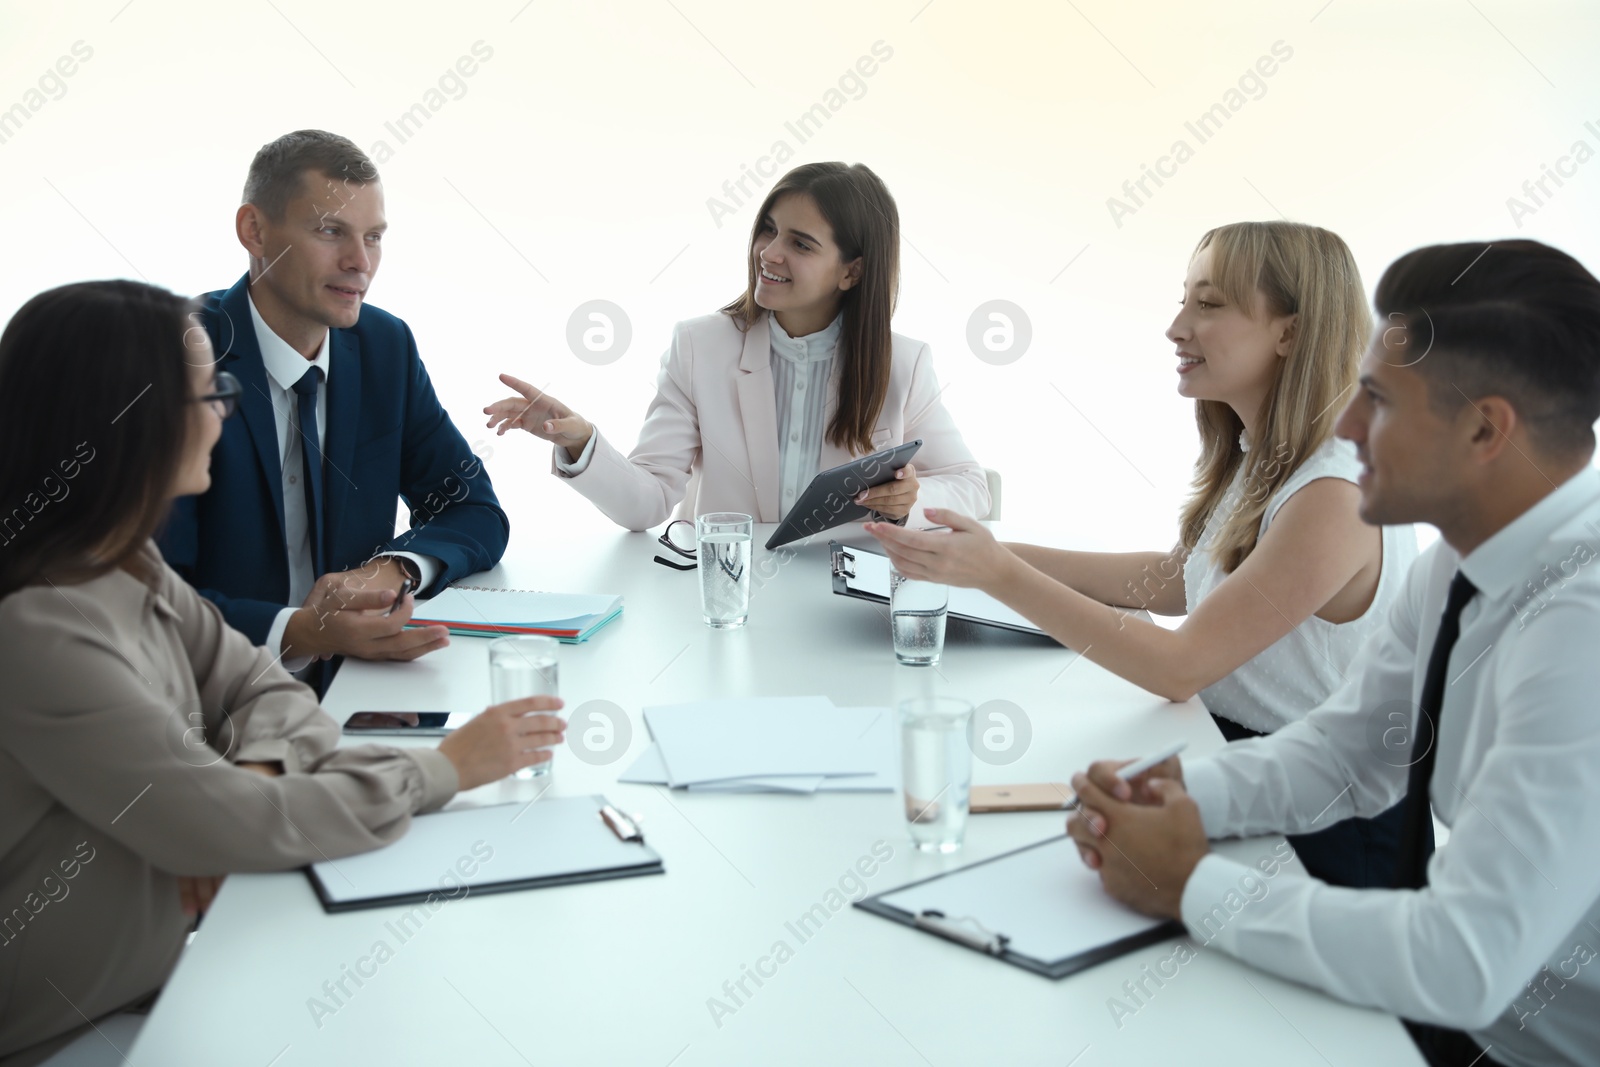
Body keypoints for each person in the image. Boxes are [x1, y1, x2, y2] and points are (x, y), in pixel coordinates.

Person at [0, 280, 563, 1066]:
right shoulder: (38, 630)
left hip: (164, 979)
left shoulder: (130, 565)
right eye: (212, 391)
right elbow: (248, 822)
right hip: (70, 1032)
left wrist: (255, 774)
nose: (228, 411)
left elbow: (258, 688)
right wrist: (442, 770)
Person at [1066, 239, 1600, 1067]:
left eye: (1378, 400)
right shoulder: (1455, 562)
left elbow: (1462, 960)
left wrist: (1190, 886)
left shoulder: (1583, 622)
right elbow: (1349, 753)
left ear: (1485, 428)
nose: (1347, 425)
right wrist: (1168, 790)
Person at [868, 221, 1419, 888]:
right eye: (1183, 299)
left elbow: (1179, 665)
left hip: (1324, 831)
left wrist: (998, 573)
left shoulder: (1334, 493)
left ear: (1291, 332)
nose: (1176, 327)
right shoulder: (1264, 457)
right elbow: (1175, 581)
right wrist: (970, 552)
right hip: (1243, 764)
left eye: (1209, 304)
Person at [157, 130, 508, 680]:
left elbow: (473, 509)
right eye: (330, 232)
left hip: (359, 686)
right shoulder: (177, 359)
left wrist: (395, 568)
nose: (359, 262)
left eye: (374, 237)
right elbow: (148, 599)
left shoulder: (384, 346)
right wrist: (299, 632)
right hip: (211, 699)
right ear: (254, 231)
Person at [484, 161, 989, 531]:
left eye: (801, 243)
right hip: (727, 600)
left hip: (842, 607)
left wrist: (911, 499)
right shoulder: (700, 346)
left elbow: (971, 486)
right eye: (768, 231)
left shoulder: (904, 363)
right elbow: (648, 502)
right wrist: (580, 441)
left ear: (852, 271)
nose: (768, 253)